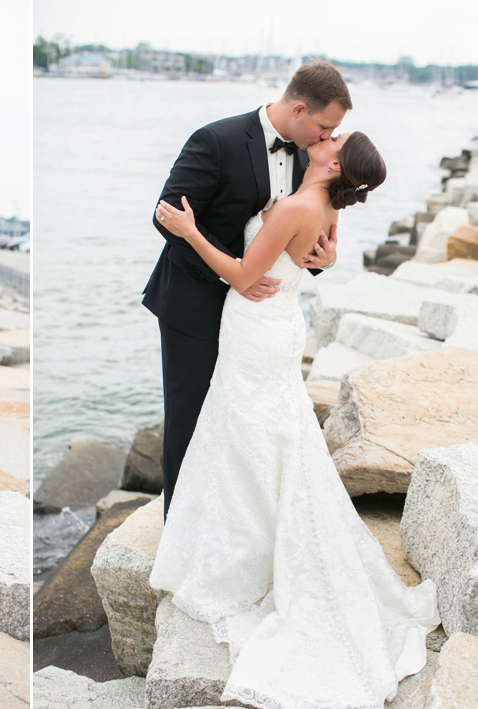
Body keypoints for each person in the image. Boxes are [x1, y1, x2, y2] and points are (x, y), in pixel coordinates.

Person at [148, 132, 440, 709]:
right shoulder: (328, 208)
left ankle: (244, 558)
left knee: (250, 439)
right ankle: (256, 539)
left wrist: (188, 233)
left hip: (256, 328)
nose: (324, 138)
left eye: (334, 139)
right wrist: (321, 257)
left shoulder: (295, 207)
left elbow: (238, 272)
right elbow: (318, 255)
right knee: (268, 440)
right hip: (280, 326)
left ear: (333, 164)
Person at [142, 61, 351, 519]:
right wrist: (236, 275)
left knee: (243, 419)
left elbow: (301, 230)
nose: (326, 137)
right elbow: (167, 220)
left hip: (258, 320)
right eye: (325, 126)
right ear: (299, 109)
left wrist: (326, 258)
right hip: (193, 302)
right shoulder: (215, 140)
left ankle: (233, 521)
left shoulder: (307, 157)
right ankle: (178, 526)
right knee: (191, 416)